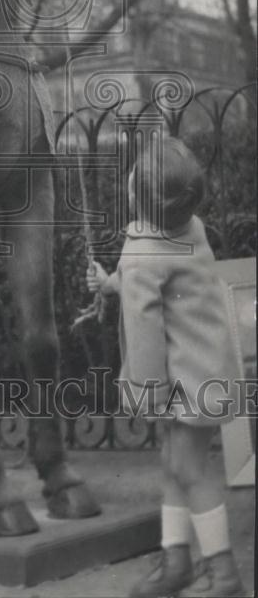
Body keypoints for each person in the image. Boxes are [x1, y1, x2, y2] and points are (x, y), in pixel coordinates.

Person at [86, 138, 244, 598]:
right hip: (204, 372)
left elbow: (146, 336)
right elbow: (161, 278)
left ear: (135, 196)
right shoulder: (187, 228)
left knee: (190, 470)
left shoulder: (143, 257)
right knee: (175, 465)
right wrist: (115, 282)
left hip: (183, 382)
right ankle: (175, 561)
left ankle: (223, 572)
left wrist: (147, 395)